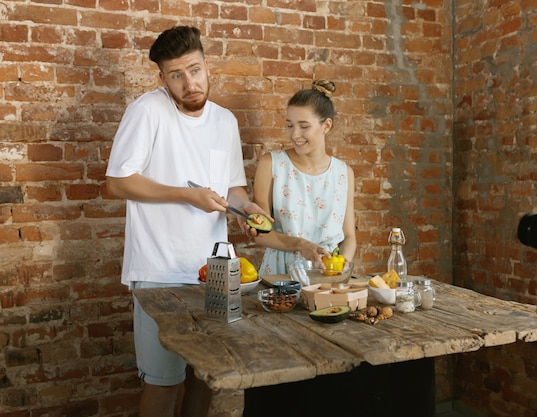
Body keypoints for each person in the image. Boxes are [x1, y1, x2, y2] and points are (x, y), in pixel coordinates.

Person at [105, 26, 265, 417]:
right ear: (162, 78)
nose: (188, 83)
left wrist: (249, 210)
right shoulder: (146, 110)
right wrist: (185, 193)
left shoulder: (225, 121)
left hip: (214, 273)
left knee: (204, 378)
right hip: (158, 272)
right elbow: (117, 183)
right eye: (176, 75)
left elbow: (233, 191)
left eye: (194, 70)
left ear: (207, 66)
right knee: (163, 385)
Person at [252, 80, 356, 276]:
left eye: (304, 126)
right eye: (290, 125)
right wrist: (301, 245)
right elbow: (260, 233)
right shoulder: (271, 164)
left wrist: (343, 264)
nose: (295, 134)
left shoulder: (344, 173)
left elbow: (349, 236)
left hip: (327, 273)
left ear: (326, 126)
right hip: (281, 274)